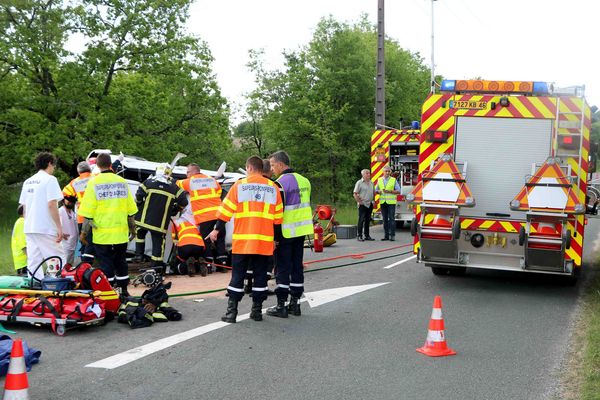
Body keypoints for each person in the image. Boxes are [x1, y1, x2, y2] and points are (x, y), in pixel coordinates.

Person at [208, 156, 283, 323]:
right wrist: (275, 239)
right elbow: (278, 219)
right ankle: (256, 311)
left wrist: (215, 230)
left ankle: (231, 312)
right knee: (261, 276)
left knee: (238, 276)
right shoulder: (273, 188)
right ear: (261, 168)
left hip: (243, 241)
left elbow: (225, 212)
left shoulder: (239, 185)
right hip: (263, 242)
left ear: (249, 168)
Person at [78, 153, 137, 296]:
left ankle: (109, 292)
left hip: (102, 234)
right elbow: (131, 211)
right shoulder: (121, 181)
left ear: (97, 166)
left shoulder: (94, 183)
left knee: (106, 262)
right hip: (120, 232)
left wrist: (83, 233)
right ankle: (124, 290)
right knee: (121, 261)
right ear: (110, 164)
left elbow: (87, 213)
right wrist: (133, 230)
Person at [267, 150, 313, 318]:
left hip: (285, 232)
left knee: (282, 268)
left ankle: (281, 305)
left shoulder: (278, 184)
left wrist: (274, 237)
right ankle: (295, 303)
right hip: (301, 231)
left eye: (272, 165)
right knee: (297, 266)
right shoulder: (305, 181)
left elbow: (276, 214)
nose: (271, 169)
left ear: (280, 164)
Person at [18, 152, 65, 281]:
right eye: (53, 165)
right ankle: (57, 285)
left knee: (34, 260)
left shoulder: (27, 182)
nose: (54, 168)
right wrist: (59, 228)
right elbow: (51, 204)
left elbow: (25, 207)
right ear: (49, 163)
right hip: (46, 226)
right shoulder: (50, 180)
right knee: (56, 257)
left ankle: (35, 286)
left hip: (30, 227)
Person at [134, 163, 187, 273]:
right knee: (158, 245)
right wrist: (176, 209)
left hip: (143, 220)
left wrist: (139, 204)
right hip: (160, 223)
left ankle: (139, 255)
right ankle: (156, 268)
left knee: (140, 233)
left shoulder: (148, 182)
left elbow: (139, 195)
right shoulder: (174, 188)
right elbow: (184, 202)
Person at [177, 163, 227, 271]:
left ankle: (208, 265)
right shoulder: (212, 180)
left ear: (193, 172)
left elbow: (177, 184)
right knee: (220, 239)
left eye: (188, 172)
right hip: (219, 215)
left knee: (207, 241)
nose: (186, 175)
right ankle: (222, 264)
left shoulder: (190, 181)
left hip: (205, 217)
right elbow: (218, 192)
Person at [62, 161, 94, 261]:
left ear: (78, 171)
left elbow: (65, 194)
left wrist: (75, 200)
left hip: (82, 217)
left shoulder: (74, 182)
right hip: (97, 216)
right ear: (89, 169)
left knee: (85, 242)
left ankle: (84, 265)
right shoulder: (96, 177)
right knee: (95, 243)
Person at [171, 203, 206, 276]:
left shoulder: (176, 222)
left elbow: (174, 239)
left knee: (178, 266)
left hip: (185, 247)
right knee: (195, 258)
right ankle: (200, 263)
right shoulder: (196, 222)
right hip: (199, 247)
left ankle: (186, 264)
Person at [375, 165, 400, 241]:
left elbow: (399, 191)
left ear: (390, 172)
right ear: (383, 172)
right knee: (385, 219)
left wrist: (390, 191)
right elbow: (376, 190)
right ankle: (386, 236)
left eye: (389, 171)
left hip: (391, 202)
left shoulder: (393, 180)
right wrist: (378, 191)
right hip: (383, 202)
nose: (387, 172)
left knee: (391, 219)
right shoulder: (379, 180)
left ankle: (392, 235)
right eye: (386, 171)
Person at [353, 169, 376, 241]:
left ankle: (367, 235)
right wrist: (359, 202)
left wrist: (373, 200)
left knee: (367, 220)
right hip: (363, 204)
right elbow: (355, 194)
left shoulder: (371, 183)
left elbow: (373, 193)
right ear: (362, 175)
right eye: (367, 173)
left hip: (370, 204)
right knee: (361, 219)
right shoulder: (359, 183)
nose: (368, 174)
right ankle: (359, 235)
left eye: (369, 173)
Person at [59, 197, 79, 265]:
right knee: (63, 264)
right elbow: (51, 225)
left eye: (72, 201)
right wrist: (60, 233)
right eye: (68, 200)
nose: (71, 202)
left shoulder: (72, 212)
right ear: (63, 200)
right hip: (64, 244)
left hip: (72, 244)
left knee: (69, 265)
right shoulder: (60, 211)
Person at [11, 205, 27, 275]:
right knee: (24, 281)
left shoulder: (20, 221)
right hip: (22, 259)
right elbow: (22, 240)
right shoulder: (21, 222)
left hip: (21, 259)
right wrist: (28, 255)